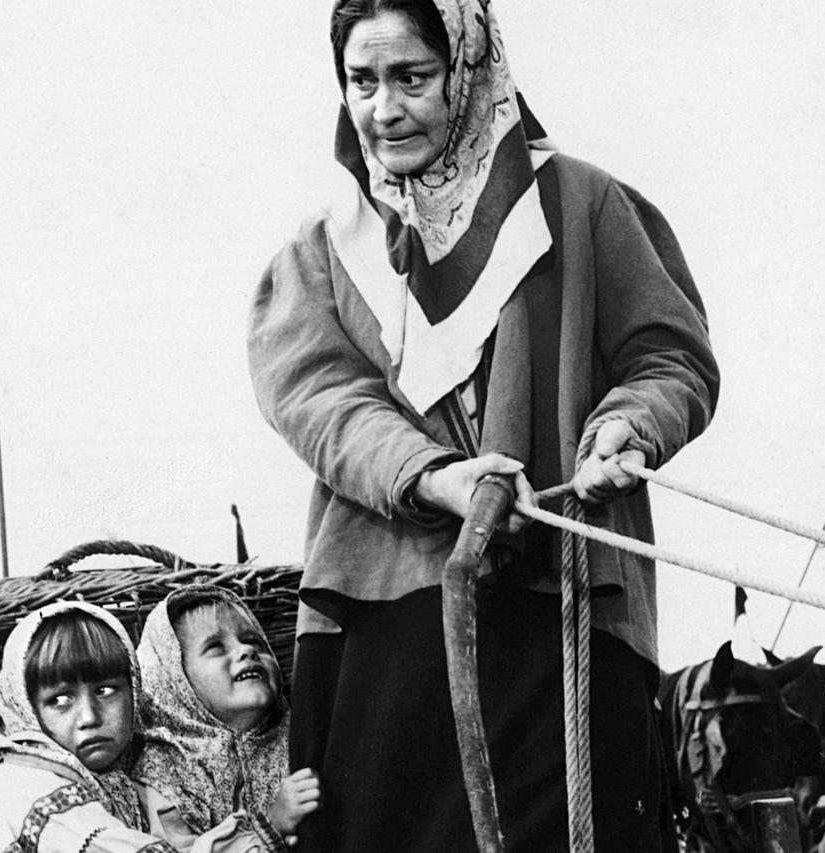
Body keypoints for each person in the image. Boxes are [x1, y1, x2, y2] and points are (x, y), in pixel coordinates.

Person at [247, 1, 719, 849]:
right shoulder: (325, 251)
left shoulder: (580, 206)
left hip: (562, 604)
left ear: (466, 69)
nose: (384, 109)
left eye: (412, 78)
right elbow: (320, 400)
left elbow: (669, 358)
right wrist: (433, 476)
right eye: (362, 81)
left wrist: (628, 427)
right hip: (387, 619)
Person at [0, 600, 232, 852]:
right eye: (60, 700)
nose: (89, 718)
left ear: (134, 691)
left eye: (105, 691)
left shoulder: (128, 771)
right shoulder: (25, 785)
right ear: (26, 710)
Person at [134, 585, 320, 851]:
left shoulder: (300, 740)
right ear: (175, 679)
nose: (247, 650)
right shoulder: (164, 771)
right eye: (216, 647)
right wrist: (271, 827)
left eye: (255, 642)